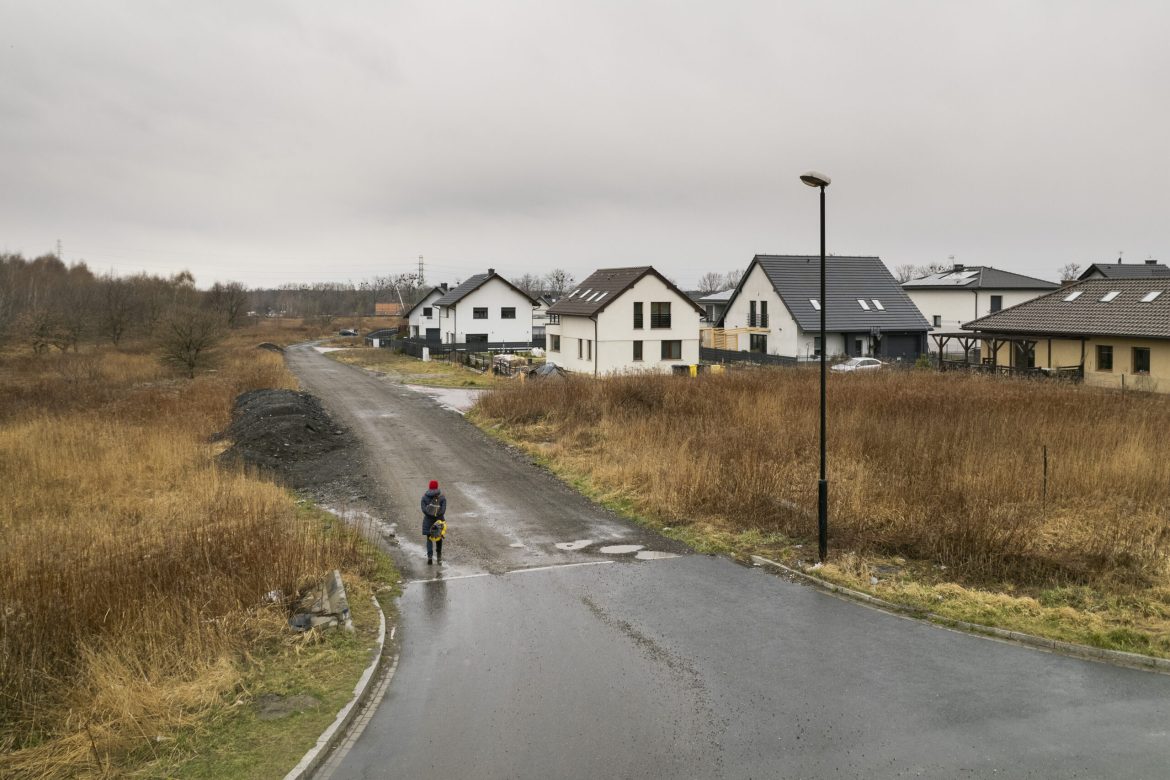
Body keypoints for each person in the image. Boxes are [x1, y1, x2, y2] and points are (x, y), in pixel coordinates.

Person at [421, 479, 447, 565]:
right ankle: (439, 556)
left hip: (428, 521)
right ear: (437, 487)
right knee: (438, 538)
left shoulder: (424, 497)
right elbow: (443, 510)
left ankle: (430, 557)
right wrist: (437, 514)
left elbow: (424, 510)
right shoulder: (442, 497)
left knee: (429, 539)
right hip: (439, 521)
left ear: (429, 487)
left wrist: (430, 514)